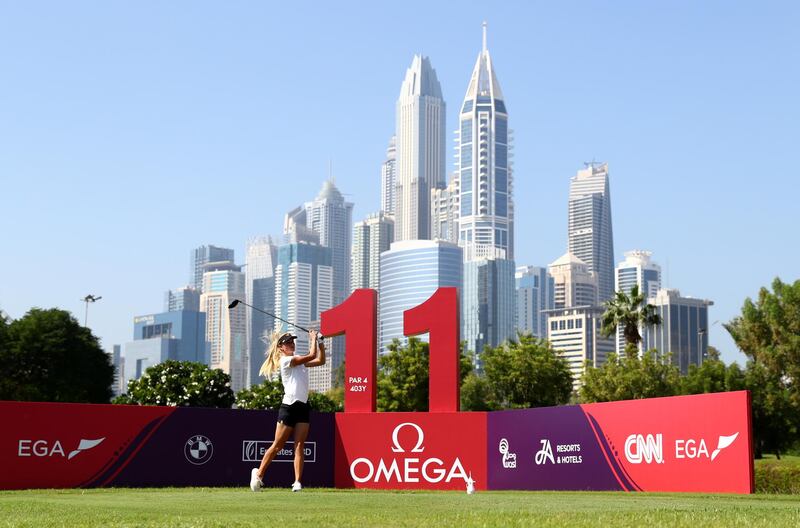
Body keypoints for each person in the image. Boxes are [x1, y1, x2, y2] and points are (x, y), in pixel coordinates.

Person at [250, 329, 325, 492]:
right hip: (289, 407)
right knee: (278, 445)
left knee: (299, 445)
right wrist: (313, 338)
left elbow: (320, 360)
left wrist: (320, 343)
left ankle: (297, 482)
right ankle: (259, 475)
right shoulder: (286, 361)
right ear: (280, 348)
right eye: (288, 342)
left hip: (303, 406)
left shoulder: (299, 361)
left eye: (292, 341)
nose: (291, 343)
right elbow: (312, 356)